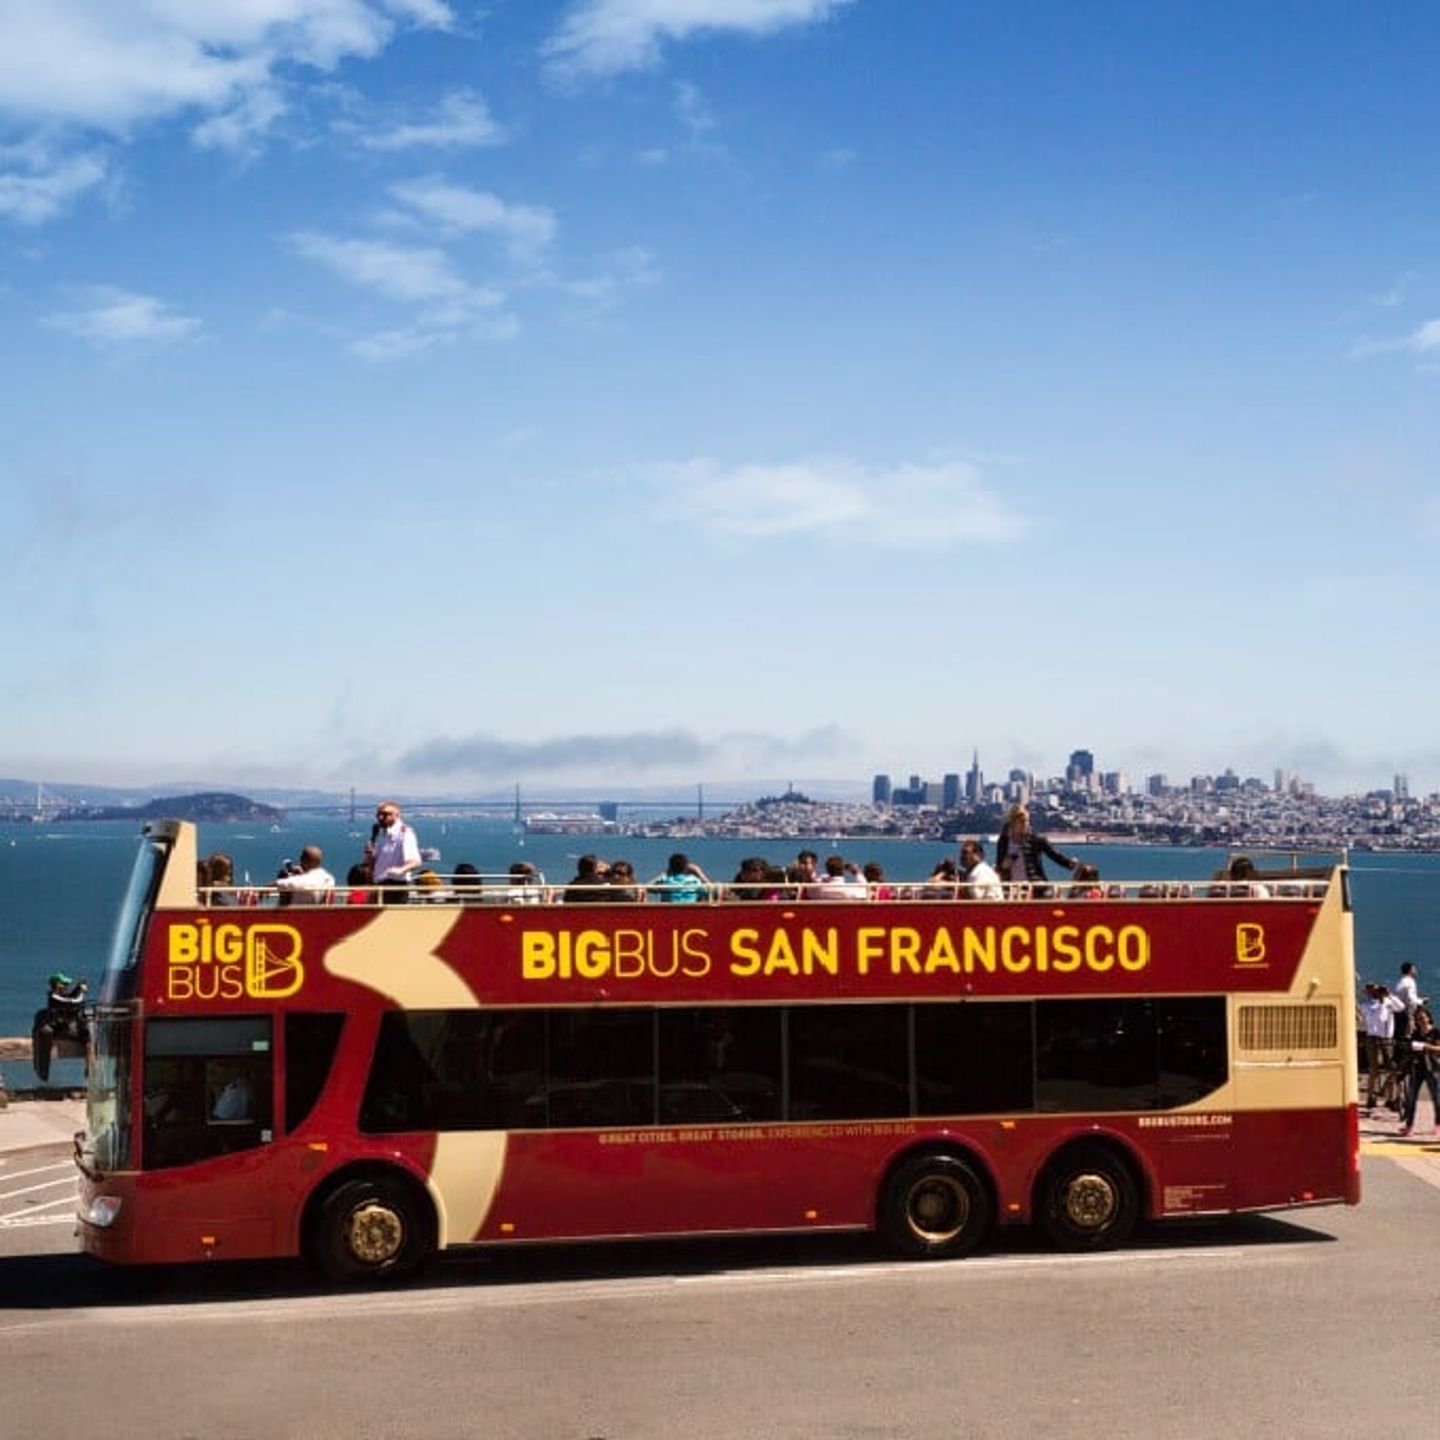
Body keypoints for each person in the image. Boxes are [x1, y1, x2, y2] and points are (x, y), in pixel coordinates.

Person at [994, 805, 1080, 893]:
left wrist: (1069, 863)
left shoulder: (1035, 839)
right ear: (1014, 822)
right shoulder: (1004, 841)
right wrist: (1007, 862)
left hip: (1034, 885)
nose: (1025, 824)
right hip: (1012, 888)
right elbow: (1000, 865)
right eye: (1022, 821)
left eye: (1027, 821)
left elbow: (1053, 854)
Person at [31, 972, 89, 1084]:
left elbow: (72, 998)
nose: (67, 986)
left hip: (68, 1027)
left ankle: (89, 1066)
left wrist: (78, 988)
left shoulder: (61, 996)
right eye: (65, 984)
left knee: (88, 1033)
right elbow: (72, 1002)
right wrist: (80, 991)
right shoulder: (53, 996)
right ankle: (43, 1073)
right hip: (59, 1029)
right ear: (57, 985)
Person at [367, 802, 422, 902]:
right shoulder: (381, 834)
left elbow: (415, 861)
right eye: (378, 814)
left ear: (397, 815)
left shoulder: (405, 834)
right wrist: (370, 855)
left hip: (395, 888)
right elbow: (373, 865)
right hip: (379, 885)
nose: (381, 817)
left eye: (385, 814)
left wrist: (401, 869)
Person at [1399, 1007, 1440, 1136]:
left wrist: (1427, 1047)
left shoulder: (1435, 1032)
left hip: (1432, 1068)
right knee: (1411, 1098)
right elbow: (1408, 1046)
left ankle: (1438, 1125)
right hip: (1416, 1068)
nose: (1421, 1020)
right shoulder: (1415, 1033)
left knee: (1437, 1098)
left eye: (1423, 1017)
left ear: (1428, 1017)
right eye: (1418, 1019)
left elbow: (1439, 1048)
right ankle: (1409, 1126)